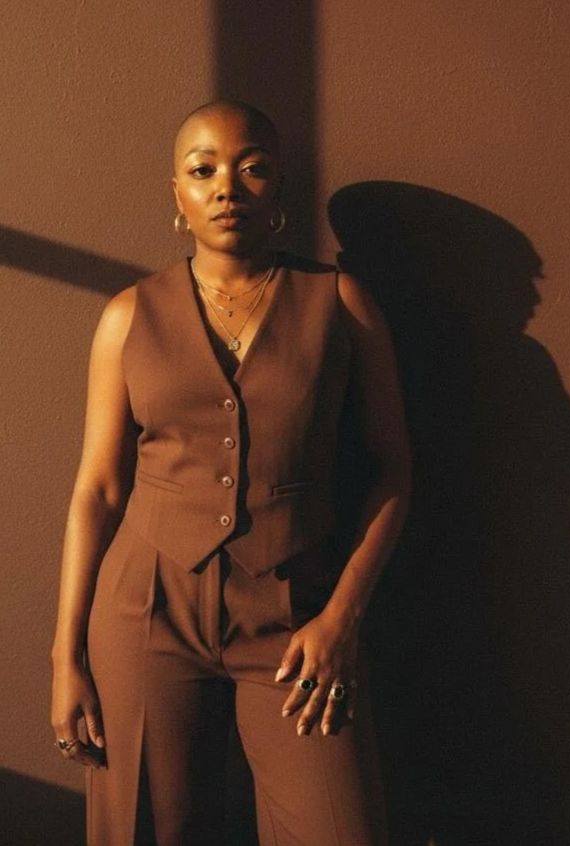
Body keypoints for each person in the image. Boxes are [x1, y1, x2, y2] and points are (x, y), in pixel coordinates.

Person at [51, 99, 410, 846]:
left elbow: (392, 471)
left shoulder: (341, 304)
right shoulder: (127, 316)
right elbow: (98, 490)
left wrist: (341, 617)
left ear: (278, 190)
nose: (226, 186)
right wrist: (67, 655)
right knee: (147, 830)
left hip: (296, 616)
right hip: (147, 612)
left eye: (252, 168)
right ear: (177, 196)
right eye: (202, 169)